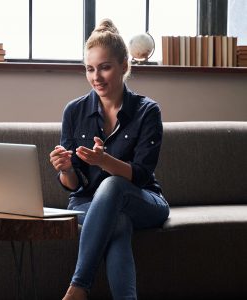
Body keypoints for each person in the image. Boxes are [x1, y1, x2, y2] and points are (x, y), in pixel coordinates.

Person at [49, 18, 170, 300]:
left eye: (105, 67)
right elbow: (73, 184)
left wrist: (105, 162)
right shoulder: (74, 111)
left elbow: (140, 175)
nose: (96, 77)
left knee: (113, 186)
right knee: (118, 222)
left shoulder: (147, 111)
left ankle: (78, 287)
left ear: (124, 65)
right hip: (85, 205)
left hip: (142, 199)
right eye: (90, 69)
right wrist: (66, 169)